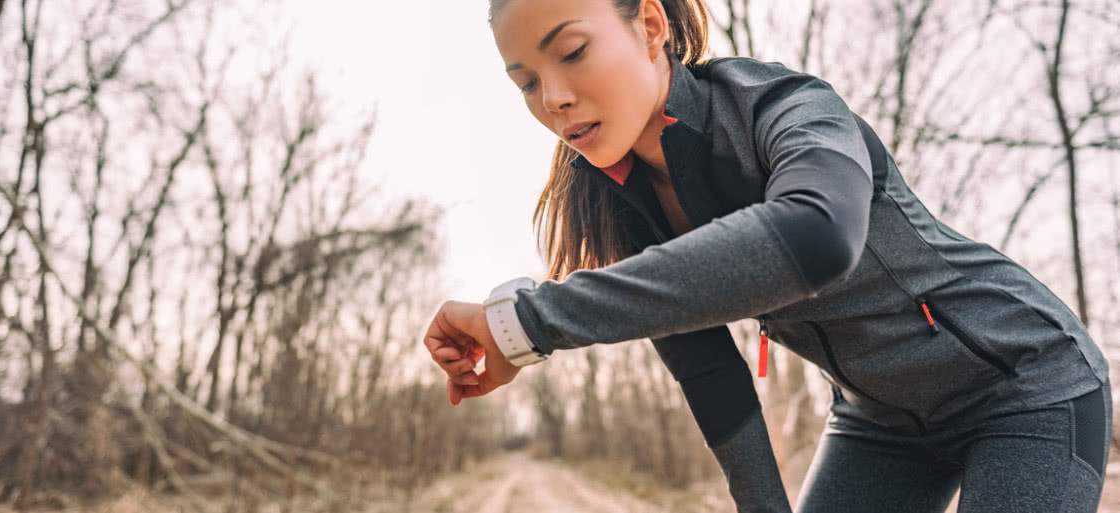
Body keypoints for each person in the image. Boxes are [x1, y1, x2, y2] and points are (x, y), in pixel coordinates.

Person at [421, 0, 1114, 511]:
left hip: (1024, 384)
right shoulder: (625, 206)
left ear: (651, 27)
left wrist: (525, 324)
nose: (555, 98)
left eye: (571, 52)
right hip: (879, 422)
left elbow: (817, 239)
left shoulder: (782, 108)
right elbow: (711, 375)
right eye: (526, 82)